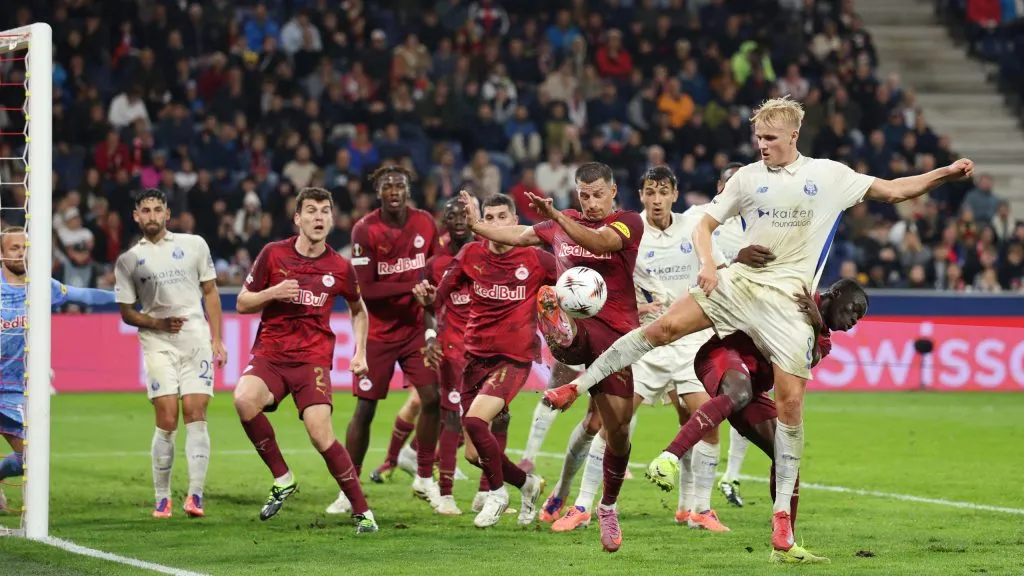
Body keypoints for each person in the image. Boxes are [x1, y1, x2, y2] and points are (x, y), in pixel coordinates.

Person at [544, 97, 974, 559]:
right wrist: (709, 265)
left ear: (793, 136)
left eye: (770, 139)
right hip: (741, 282)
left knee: (790, 406)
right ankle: (578, 387)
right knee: (665, 328)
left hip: (788, 301)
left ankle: (782, 522)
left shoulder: (830, 175)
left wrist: (943, 174)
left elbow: (892, 190)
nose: (762, 146)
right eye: (758, 139)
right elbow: (705, 224)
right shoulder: (748, 178)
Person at [539, 166, 764, 533]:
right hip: (644, 340)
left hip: (690, 339)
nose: (656, 199)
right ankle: (582, 505)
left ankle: (699, 509)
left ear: (675, 194)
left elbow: (720, 258)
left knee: (705, 421)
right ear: (640, 195)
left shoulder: (695, 223)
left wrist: (740, 257)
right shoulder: (628, 230)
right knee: (612, 425)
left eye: (663, 192)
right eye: (649, 192)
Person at [467, 162, 643, 552]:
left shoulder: (628, 222)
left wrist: (558, 218)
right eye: (584, 195)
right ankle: (558, 328)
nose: (592, 202)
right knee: (550, 298)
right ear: (577, 193)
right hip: (577, 332)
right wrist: (479, 227)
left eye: (599, 194)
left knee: (618, 432)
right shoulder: (559, 225)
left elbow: (600, 244)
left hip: (615, 342)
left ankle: (607, 508)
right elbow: (521, 233)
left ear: (613, 192)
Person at [646, 278, 868, 563]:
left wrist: (813, 324)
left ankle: (784, 544)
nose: (854, 321)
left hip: (752, 388)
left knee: (787, 455)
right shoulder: (796, 289)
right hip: (723, 355)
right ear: (835, 294)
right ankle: (667, 459)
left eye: (859, 319)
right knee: (738, 392)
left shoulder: (823, 340)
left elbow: (807, 360)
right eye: (853, 311)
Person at [232, 187, 378, 534]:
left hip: (311, 360)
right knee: (243, 400)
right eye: (310, 211)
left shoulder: (339, 267)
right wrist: (273, 293)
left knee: (319, 434)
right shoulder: (273, 254)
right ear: (297, 218)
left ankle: (363, 513)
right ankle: (283, 477)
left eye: (325, 211)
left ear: (331, 218)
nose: (318, 217)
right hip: (270, 354)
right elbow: (242, 302)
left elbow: (359, 310)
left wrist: (360, 351)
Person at [416, 193, 555, 528]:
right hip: (474, 358)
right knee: (474, 454)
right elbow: (440, 297)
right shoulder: (470, 254)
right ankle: (527, 484)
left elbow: (575, 284)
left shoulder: (536, 259)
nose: (493, 224)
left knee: (476, 424)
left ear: (515, 223)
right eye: (487, 218)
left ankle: (497, 495)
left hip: (514, 359)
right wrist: (427, 300)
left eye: (501, 217)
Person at [332, 165, 443, 514]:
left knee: (432, 397)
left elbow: (431, 277)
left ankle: (424, 476)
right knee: (365, 409)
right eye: (387, 186)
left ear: (408, 190)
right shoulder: (365, 230)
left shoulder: (425, 223)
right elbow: (366, 289)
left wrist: (429, 325)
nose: (394, 190)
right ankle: (348, 489)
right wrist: (411, 287)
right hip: (377, 334)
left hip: (413, 331)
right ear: (377, 192)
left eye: (400, 185)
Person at [114, 189, 225, 519]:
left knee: (195, 411)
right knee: (166, 416)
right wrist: (157, 323)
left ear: (167, 214)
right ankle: (162, 497)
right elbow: (126, 312)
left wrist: (218, 339)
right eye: (145, 210)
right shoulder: (129, 261)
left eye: (157, 209)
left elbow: (211, 293)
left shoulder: (194, 245)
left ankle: (195, 496)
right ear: (136, 216)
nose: (151, 215)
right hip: (158, 341)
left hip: (195, 338)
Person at [0, 227, 116, 510]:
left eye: (25, 247)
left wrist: (123, 298)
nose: (21, 252)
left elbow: (84, 296)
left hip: (17, 389)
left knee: (32, 457)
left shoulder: (41, 286)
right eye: (14, 248)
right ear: (1, 253)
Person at [415, 197, 476, 515]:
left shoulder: (486, 255)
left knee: (494, 418)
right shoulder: (435, 264)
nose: (460, 220)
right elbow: (428, 307)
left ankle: (488, 492)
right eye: (453, 215)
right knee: (451, 416)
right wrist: (430, 337)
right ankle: (447, 493)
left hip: (486, 347)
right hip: (453, 347)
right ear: (445, 222)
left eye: (465, 214)